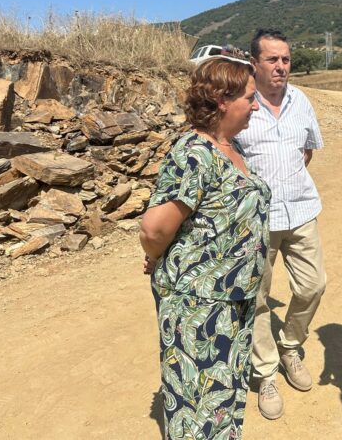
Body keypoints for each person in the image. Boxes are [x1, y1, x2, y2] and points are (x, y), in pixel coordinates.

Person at [139, 58, 271, 440]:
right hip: (199, 306)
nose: (256, 105)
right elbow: (153, 228)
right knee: (198, 409)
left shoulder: (230, 147)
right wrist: (158, 256)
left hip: (232, 300)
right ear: (221, 99)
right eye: (250, 97)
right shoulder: (194, 153)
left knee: (223, 398)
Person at [234, 28, 326, 420]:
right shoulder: (240, 102)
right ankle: (267, 371)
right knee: (257, 297)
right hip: (257, 219)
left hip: (301, 210)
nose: (281, 66)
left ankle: (290, 345)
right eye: (272, 59)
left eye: (286, 59)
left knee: (313, 285)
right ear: (253, 63)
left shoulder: (300, 100)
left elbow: (307, 151)